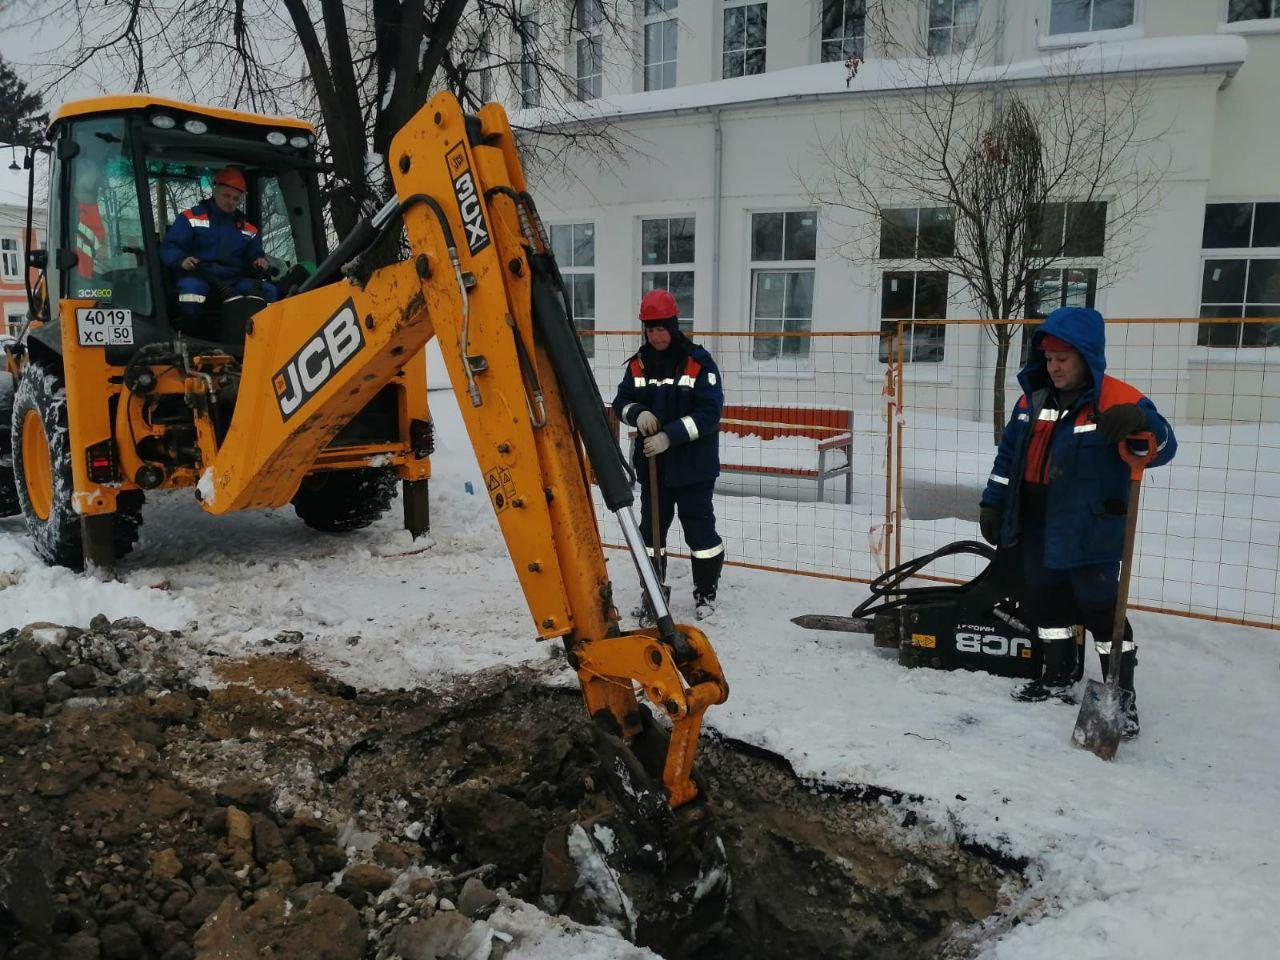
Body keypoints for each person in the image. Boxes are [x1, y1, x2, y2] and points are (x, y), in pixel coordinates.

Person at [978, 306, 1176, 738]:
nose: (1054, 367)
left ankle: (1120, 695)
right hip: (1036, 519)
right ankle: (1057, 677)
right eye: (1048, 359)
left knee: (1103, 613)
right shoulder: (1030, 400)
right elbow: (1008, 458)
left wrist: (1144, 424)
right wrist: (992, 503)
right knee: (1046, 603)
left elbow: (1163, 443)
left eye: (1063, 359)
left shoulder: (1118, 400)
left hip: (1090, 525)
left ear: (1087, 356)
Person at [612, 288, 725, 621]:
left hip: (694, 468)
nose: (656, 335)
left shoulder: (698, 362)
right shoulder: (638, 364)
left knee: (701, 535)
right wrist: (636, 414)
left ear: (673, 326)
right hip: (654, 469)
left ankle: (706, 594)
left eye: (661, 328)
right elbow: (621, 401)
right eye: (650, 329)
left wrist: (669, 437)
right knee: (651, 536)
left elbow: (709, 413)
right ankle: (652, 590)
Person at [159, 167, 276, 325]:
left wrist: (260, 261)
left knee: (268, 291)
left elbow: (255, 255)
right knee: (191, 291)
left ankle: (262, 336)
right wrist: (181, 261)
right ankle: (190, 334)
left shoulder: (247, 228)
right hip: (200, 275)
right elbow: (169, 247)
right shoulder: (191, 218)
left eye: (236, 198)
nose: (230, 202)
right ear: (215, 192)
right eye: (226, 195)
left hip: (234, 279)